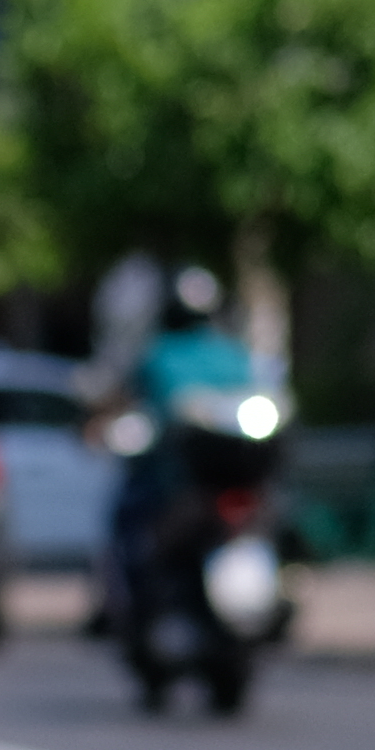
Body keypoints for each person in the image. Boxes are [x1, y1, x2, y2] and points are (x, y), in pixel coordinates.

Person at [94, 268, 262, 636]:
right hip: (210, 481)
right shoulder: (232, 354)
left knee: (128, 523)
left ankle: (118, 603)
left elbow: (123, 402)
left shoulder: (159, 354)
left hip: (187, 485)